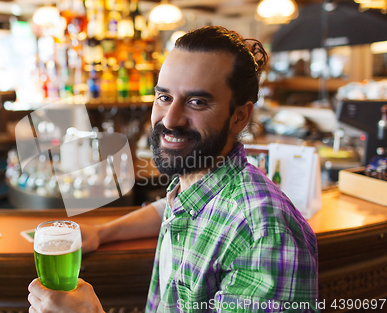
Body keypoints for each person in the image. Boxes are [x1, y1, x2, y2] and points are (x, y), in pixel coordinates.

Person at [28, 25, 318, 313]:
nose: (170, 120)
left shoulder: (265, 233)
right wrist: (103, 232)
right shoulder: (198, 188)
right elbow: (173, 209)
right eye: (164, 97)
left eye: (196, 102)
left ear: (239, 116)